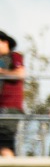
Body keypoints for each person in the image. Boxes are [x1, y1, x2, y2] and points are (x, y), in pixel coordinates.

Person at [0, 29, 26, 157]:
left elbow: (20, 74)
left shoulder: (14, 56)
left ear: (5, 42)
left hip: (9, 107)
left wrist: (1, 72)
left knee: (4, 141)